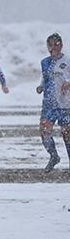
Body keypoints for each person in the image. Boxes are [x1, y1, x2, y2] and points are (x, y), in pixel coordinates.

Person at [36, 32, 70, 172]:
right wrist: (41, 86)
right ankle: (54, 156)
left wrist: (68, 83)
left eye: (56, 44)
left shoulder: (67, 61)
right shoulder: (45, 62)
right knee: (44, 130)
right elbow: (46, 78)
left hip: (65, 103)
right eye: (50, 44)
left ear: (61, 45)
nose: (53, 47)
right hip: (49, 103)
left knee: (67, 134)